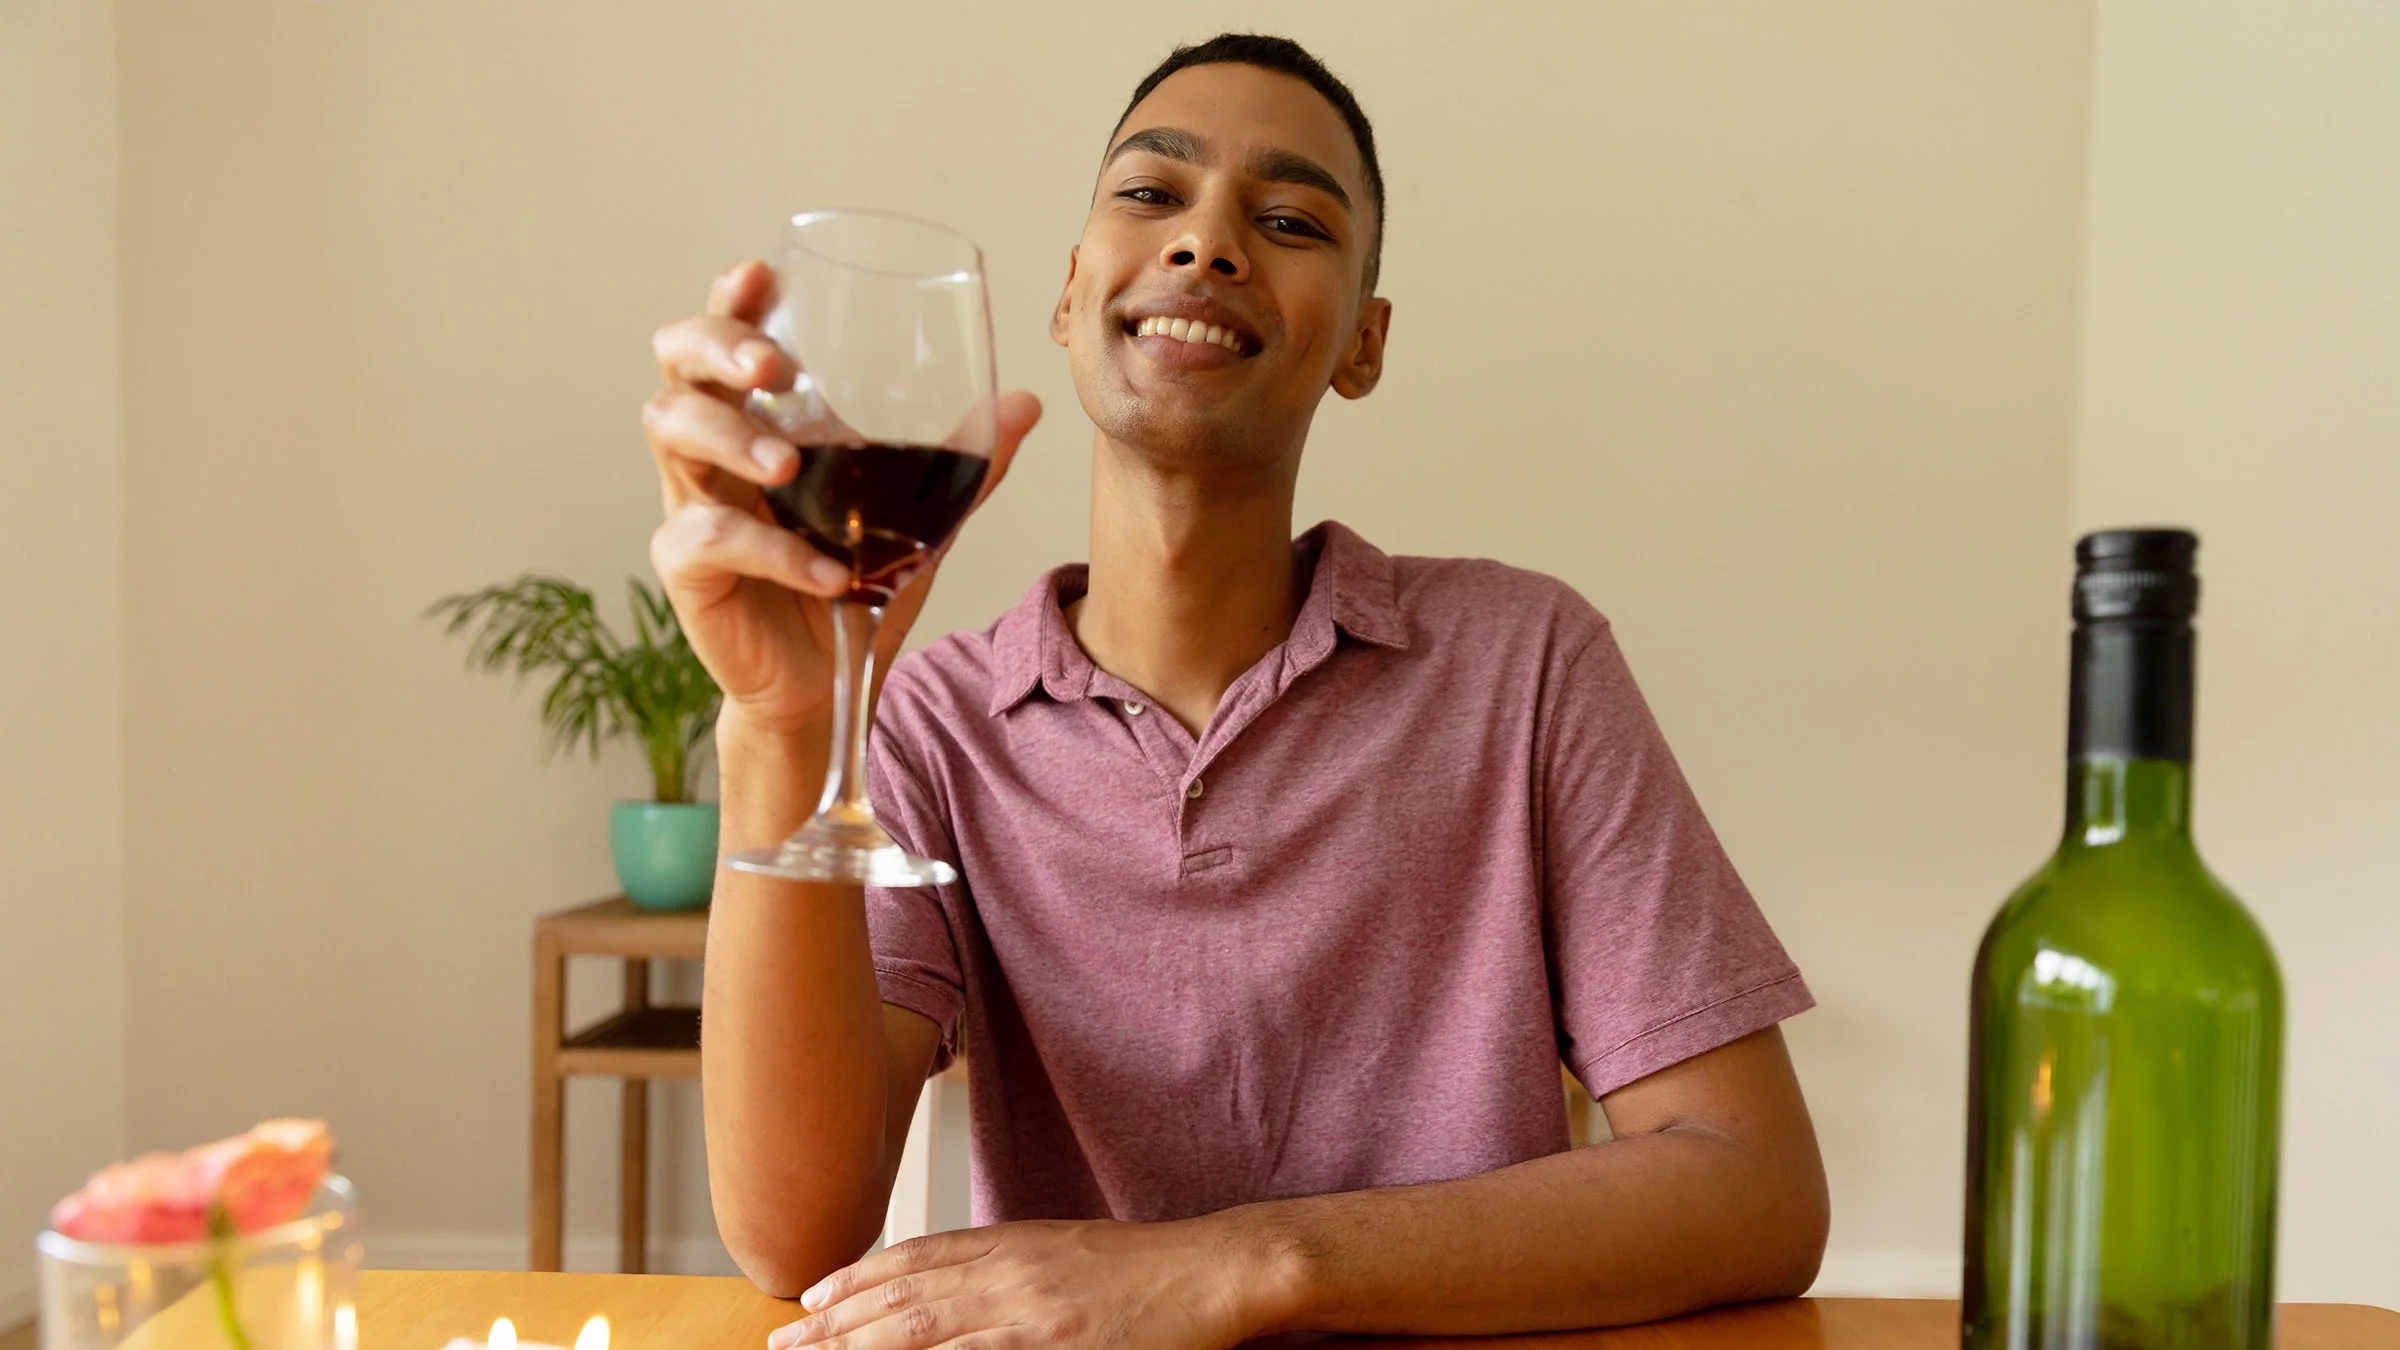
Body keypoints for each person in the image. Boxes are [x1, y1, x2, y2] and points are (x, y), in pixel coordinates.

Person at [644, 33, 1829, 1349]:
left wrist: (1237, 1264)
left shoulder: (1526, 663)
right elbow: (793, 1230)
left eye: (1287, 218)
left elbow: (1757, 1181)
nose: (1207, 241)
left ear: (1363, 345)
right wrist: (781, 726)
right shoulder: (935, 727)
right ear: (1067, 290)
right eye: (1152, 195)